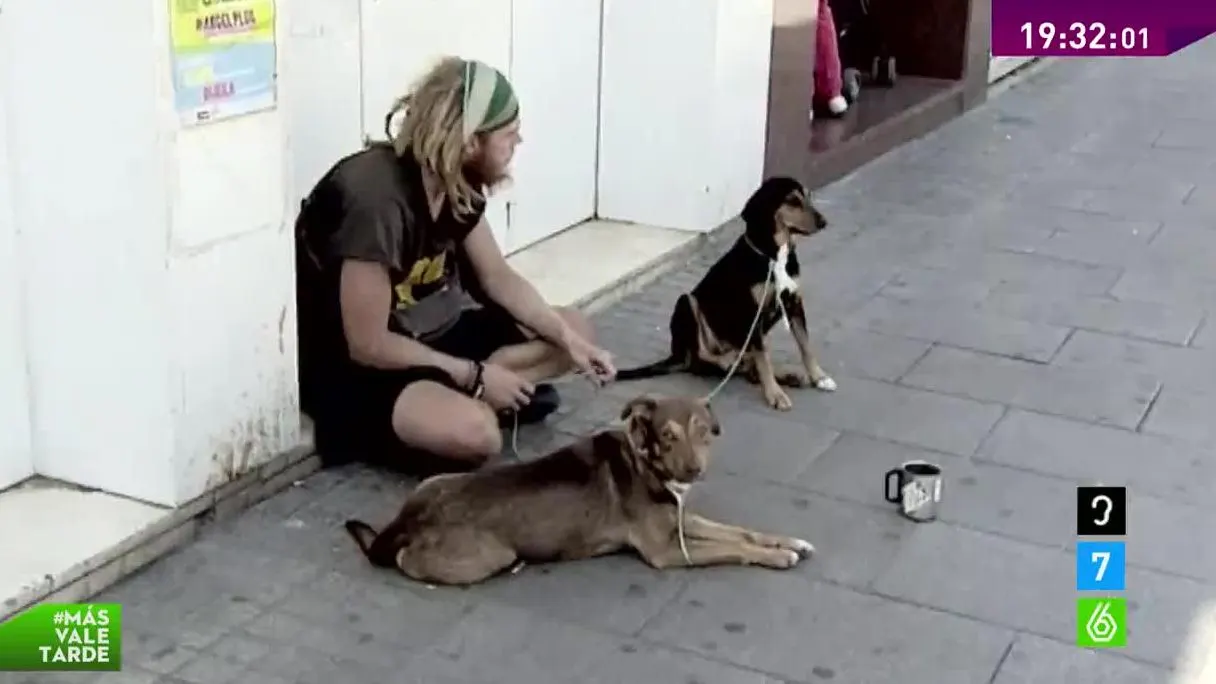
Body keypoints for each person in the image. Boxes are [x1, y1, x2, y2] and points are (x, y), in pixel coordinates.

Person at [293, 56, 616, 473]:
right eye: (509, 135)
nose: (517, 144)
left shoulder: (455, 181)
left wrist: (569, 342)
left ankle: (479, 390)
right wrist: (476, 377)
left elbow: (497, 276)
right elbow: (367, 343)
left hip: (432, 336)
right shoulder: (375, 199)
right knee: (478, 437)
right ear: (469, 141)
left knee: (577, 329)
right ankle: (465, 402)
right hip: (365, 365)